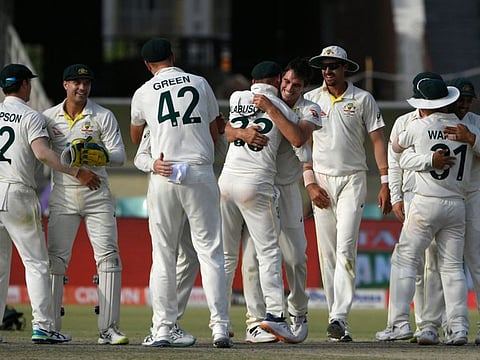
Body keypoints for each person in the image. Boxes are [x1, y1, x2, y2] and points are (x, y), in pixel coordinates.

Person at [130, 37, 232, 348]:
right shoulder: (200, 83)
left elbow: (137, 135)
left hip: (164, 172)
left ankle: (162, 329)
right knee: (211, 253)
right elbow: (215, 127)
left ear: (148, 66)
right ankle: (220, 328)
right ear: (173, 57)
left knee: (163, 256)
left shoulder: (144, 91)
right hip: (199, 171)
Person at [0, 63, 99, 343]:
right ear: (23, 86)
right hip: (17, 191)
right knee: (36, 264)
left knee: (0, 266)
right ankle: (43, 326)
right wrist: (75, 171)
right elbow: (43, 154)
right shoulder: (31, 117)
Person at [376, 76, 476, 346]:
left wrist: (424, 159)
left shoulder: (417, 127)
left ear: (421, 102)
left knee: (404, 260)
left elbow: (396, 150)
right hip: (456, 205)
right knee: (453, 268)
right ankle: (458, 329)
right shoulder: (463, 129)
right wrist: (430, 158)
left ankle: (398, 324)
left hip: (424, 202)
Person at [303, 45, 391, 342]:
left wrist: (386, 180)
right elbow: (303, 145)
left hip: (353, 179)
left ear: (345, 69)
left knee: (346, 248)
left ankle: (339, 315)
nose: (328, 71)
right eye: (325, 66)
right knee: (327, 253)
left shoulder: (362, 99)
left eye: (334, 66)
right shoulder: (310, 99)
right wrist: (310, 183)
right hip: (322, 181)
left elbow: (378, 140)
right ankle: (335, 320)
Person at [43, 64, 128, 345]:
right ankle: (51, 327)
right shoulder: (48, 118)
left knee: (109, 259)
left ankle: (109, 329)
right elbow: (41, 155)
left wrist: (95, 155)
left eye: (87, 83)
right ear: (65, 85)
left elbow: (119, 156)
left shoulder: (102, 115)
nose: (82, 88)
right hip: (63, 194)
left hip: (97, 192)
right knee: (55, 260)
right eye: (76, 83)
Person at [219, 60, 303, 344]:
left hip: (226, 181)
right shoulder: (282, 105)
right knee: (268, 253)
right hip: (256, 183)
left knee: (227, 256)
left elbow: (226, 129)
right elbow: (297, 138)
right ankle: (277, 317)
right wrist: (273, 109)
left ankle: (220, 322)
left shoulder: (236, 98)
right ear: (278, 80)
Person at [238, 57, 321, 343]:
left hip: (286, 190)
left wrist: (272, 108)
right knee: (251, 258)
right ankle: (255, 321)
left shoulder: (310, 109)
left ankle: (298, 312)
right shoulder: (256, 99)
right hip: (259, 186)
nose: (288, 88)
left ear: (304, 88)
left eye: (295, 85)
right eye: (285, 82)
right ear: (278, 79)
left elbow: (298, 138)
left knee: (296, 256)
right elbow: (229, 128)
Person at [408, 77, 480, 345]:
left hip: (472, 197)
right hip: (447, 199)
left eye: (468, 100)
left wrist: (471, 138)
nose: (464, 105)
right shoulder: (440, 123)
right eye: (460, 100)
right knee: (435, 265)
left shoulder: (475, 123)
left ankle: (461, 325)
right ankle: (432, 325)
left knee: (474, 262)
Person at [386, 72, 444, 342]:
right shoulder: (402, 122)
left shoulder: (445, 121)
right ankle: (408, 323)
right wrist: (396, 197)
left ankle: (428, 324)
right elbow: (394, 162)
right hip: (411, 196)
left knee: (434, 262)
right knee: (414, 262)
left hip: (436, 194)